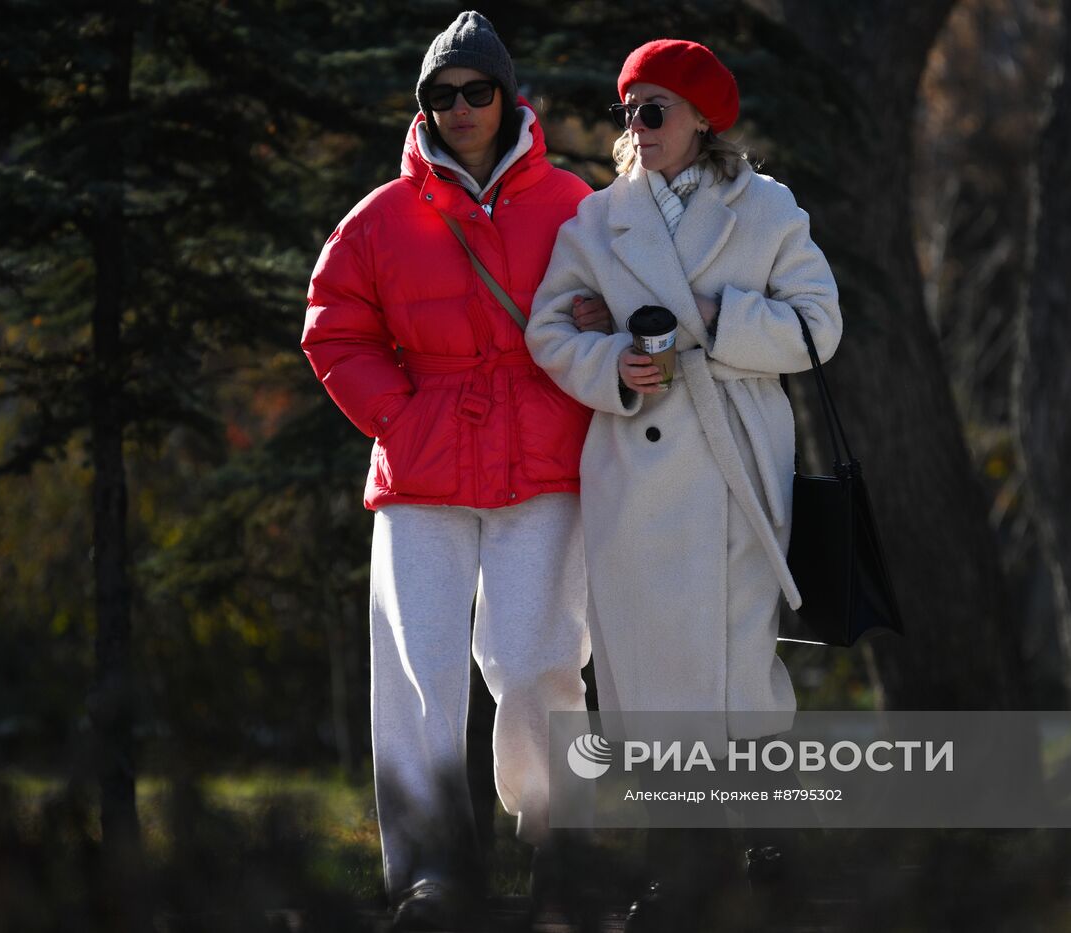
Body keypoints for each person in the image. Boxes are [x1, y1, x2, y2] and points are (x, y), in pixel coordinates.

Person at [525, 38, 843, 930]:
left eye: (656, 109)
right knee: (642, 667)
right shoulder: (597, 221)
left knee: (738, 656)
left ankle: (763, 835)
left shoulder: (767, 209)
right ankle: (682, 856)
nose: (639, 126)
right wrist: (615, 364)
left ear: (703, 119)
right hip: (634, 462)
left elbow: (820, 328)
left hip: (736, 458)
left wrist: (713, 315)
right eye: (629, 111)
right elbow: (551, 333)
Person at [301, 11, 601, 931]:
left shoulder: (576, 203)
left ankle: (562, 845)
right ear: (424, 106)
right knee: (418, 676)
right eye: (444, 94)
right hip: (422, 470)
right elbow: (333, 327)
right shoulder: (381, 217)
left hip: (544, 462)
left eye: (478, 90)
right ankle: (433, 875)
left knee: (538, 662)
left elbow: (626, 306)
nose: (462, 107)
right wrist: (399, 414)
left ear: (510, 98)